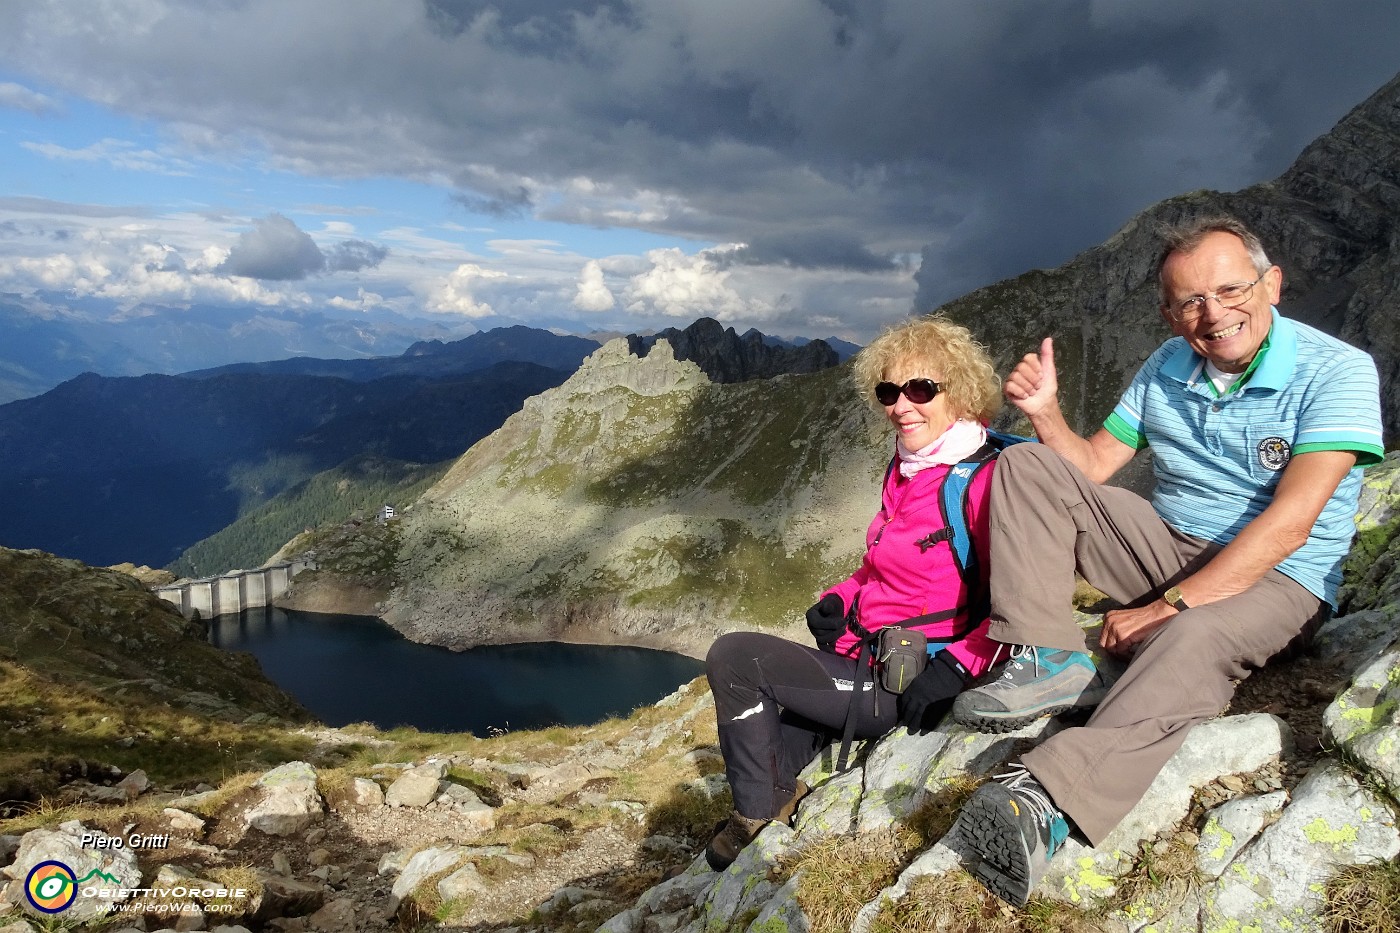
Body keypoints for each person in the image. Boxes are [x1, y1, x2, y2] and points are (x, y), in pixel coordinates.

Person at [948, 216, 1384, 906]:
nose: (1213, 313)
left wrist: (1165, 607)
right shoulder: (1166, 365)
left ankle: (1044, 797)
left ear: (1271, 283)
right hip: (1166, 544)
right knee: (1027, 465)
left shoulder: (1337, 371)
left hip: (1280, 578)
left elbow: (1290, 525)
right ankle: (1049, 658)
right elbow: (1092, 465)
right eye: (1190, 301)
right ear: (1169, 314)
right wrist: (1047, 413)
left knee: (1194, 634)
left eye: (1230, 288)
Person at [703, 315, 1009, 871]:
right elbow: (882, 566)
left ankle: (756, 817)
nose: (901, 405)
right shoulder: (909, 467)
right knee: (771, 734)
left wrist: (960, 668)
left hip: (909, 681)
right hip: (861, 654)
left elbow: (1020, 598)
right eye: (889, 390)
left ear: (961, 392)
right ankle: (771, 797)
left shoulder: (981, 480)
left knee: (735, 657)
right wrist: (843, 596)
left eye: (921, 389)